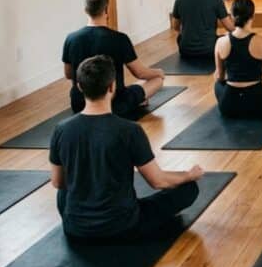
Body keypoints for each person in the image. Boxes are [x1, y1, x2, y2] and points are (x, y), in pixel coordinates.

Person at [50, 55, 203, 240]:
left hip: (76, 228)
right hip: (122, 226)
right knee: (189, 189)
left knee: (63, 193)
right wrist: (189, 175)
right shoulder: (130, 130)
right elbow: (158, 181)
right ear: (112, 87)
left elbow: (58, 182)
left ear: (79, 87)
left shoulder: (61, 129)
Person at [62, 0, 164, 116]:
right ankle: (138, 101)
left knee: (136, 86)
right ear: (106, 10)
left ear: (85, 10)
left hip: (80, 104)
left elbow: (68, 74)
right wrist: (158, 72)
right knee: (157, 80)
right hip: (114, 105)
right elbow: (140, 73)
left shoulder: (71, 38)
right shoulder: (119, 38)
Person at [170, 0, 234, 59]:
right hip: (210, 50)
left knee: (180, 37)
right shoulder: (216, 0)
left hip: (186, 50)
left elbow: (175, 26)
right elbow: (230, 27)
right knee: (228, 38)